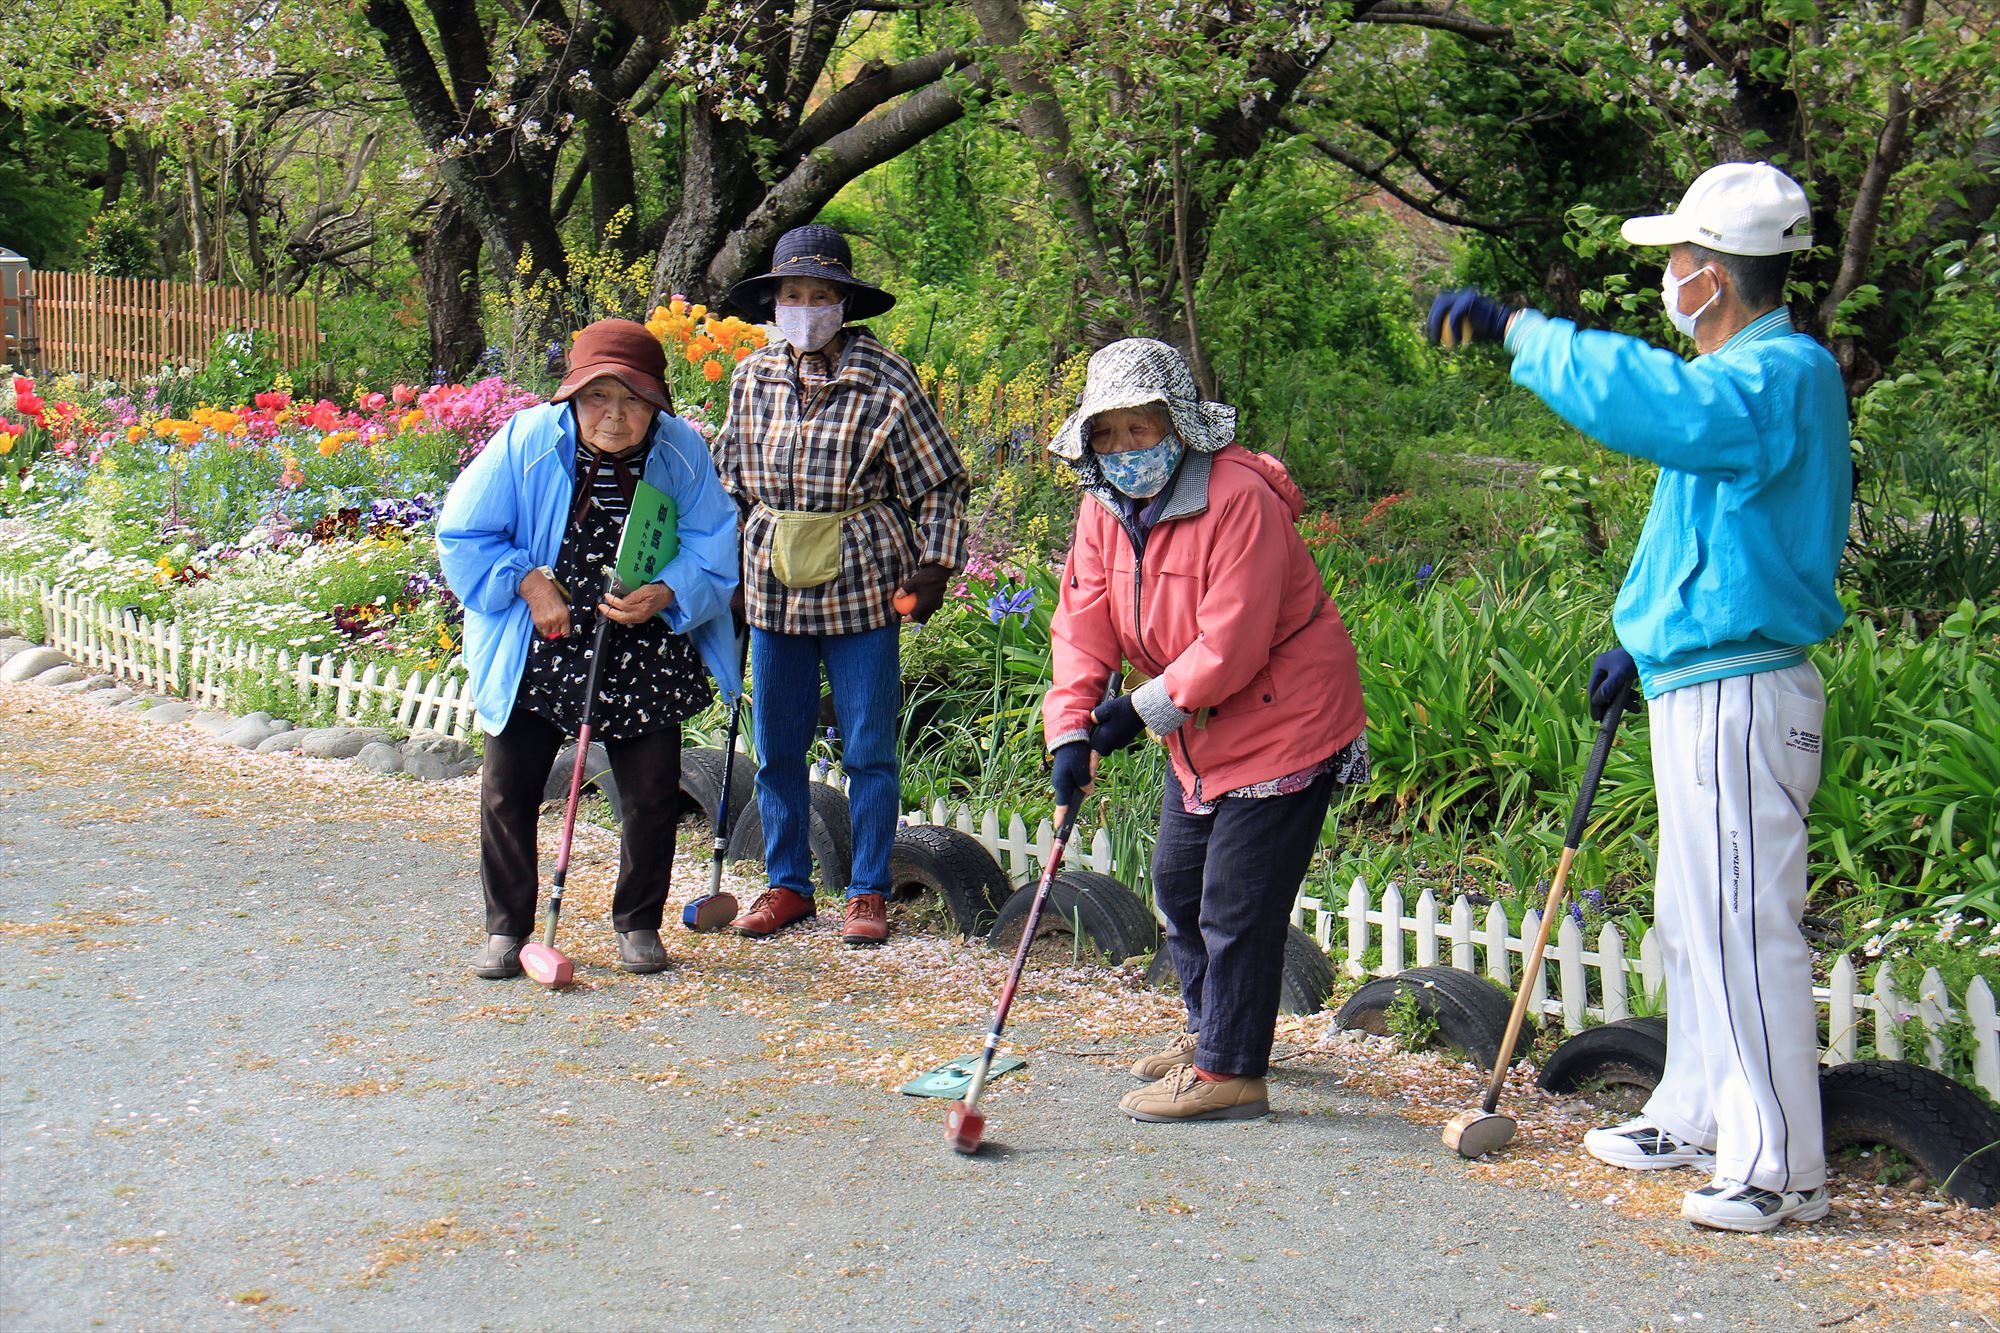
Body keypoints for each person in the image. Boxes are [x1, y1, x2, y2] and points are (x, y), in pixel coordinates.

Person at [1427, 161, 1848, 1233]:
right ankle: (1700, 1113)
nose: (1665, 276)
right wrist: (1634, 641)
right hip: (1699, 677)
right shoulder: (1742, 382)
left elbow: (1650, 407)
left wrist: (1527, 332)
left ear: (1711, 275)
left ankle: (1778, 1165)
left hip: (1742, 686)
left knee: (1741, 922)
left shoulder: (1774, 374)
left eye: (1675, 259)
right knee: (1692, 918)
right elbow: (1688, 538)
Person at [1042, 338, 1368, 1123]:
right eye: (1108, 433)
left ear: (1179, 424)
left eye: (1141, 428)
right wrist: (1071, 731)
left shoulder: (1237, 498)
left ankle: (1232, 1070)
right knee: (1180, 885)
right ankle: (1209, 1031)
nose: (1125, 450)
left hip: (1284, 716)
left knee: (1236, 901)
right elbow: (1082, 625)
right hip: (1196, 730)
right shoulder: (1103, 510)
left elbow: (1234, 641)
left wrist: (1137, 711)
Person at [438, 318, 742, 979]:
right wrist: (525, 581)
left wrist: (667, 591)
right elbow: (463, 532)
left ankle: (638, 921)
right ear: (572, 397)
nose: (614, 415)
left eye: (632, 399)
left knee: (653, 791)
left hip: (642, 642)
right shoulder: (524, 442)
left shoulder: (682, 451)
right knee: (506, 788)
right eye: (597, 397)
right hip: (541, 638)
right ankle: (506, 929)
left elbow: (715, 544)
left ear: (656, 405)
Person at [712, 222, 968, 947]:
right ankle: (788, 882)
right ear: (774, 302)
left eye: (820, 294)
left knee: (867, 747)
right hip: (772, 578)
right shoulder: (752, 377)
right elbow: (729, 481)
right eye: (792, 293)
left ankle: (867, 889)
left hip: (862, 578)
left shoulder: (887, 379)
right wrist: (726, 570)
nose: (805, 306)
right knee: (778, 743)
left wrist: (933, 567)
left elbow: (941, 482)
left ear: (843, 304)